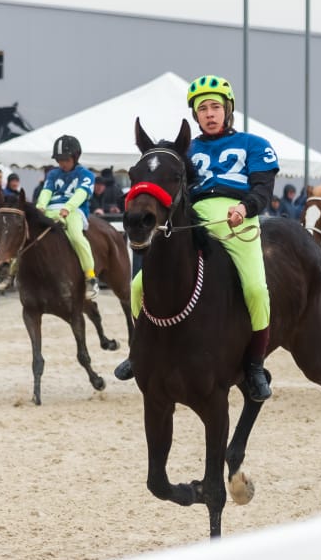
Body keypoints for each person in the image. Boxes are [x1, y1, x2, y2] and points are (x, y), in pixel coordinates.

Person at [119, 75, 278, 401]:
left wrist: (245, 208)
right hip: (193, 218)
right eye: (202, 108)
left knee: (256, 289)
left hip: (237, 219)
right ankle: (139, 351)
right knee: (137, 286)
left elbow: (263, 189)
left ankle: (254, 366)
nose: (209, 113)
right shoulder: (185, 150)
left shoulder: (254, 144)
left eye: (215, 107)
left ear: (228, 109)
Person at [37, 135, 100, 301]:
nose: (61, 163)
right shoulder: (52, 174)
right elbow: (46, 191)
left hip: (74, 211)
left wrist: (68, 208)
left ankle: (90, 277)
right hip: (50, 210)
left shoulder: (86, 174)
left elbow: (81, 194)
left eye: (65, 159)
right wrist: (41, 206)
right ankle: (11, 270)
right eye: (59, 160)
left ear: (75, 156)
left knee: (77, 237)